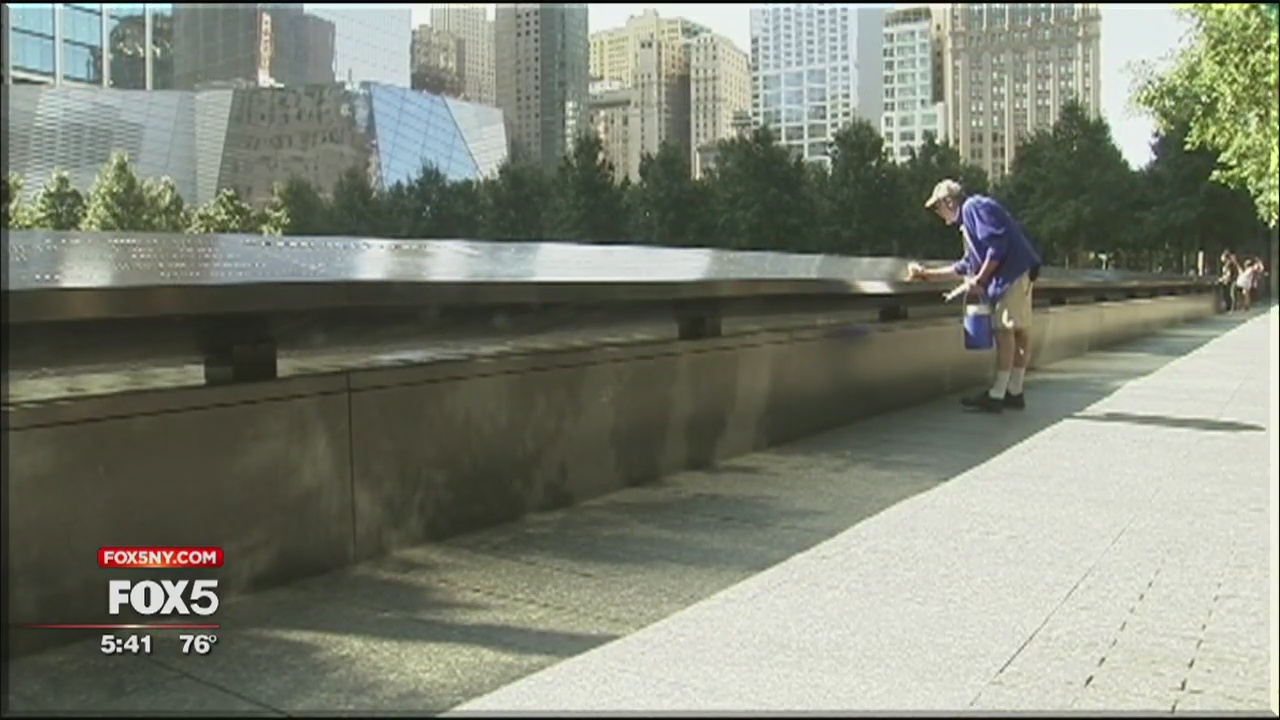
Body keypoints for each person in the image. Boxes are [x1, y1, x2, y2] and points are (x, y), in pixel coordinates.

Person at [906, 179, 1042, 414]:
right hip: (1020, 271)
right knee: (1019, 330)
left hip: (1011, 274)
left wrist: (980, 279)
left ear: (949, 201)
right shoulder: (970, 219)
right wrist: (928, 275)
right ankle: (1014, 391)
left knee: (1006, 330)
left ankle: (998, 394)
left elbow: (996, 247)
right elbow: (967, 263)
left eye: (937, 208)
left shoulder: (973, 208)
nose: (938, 214)